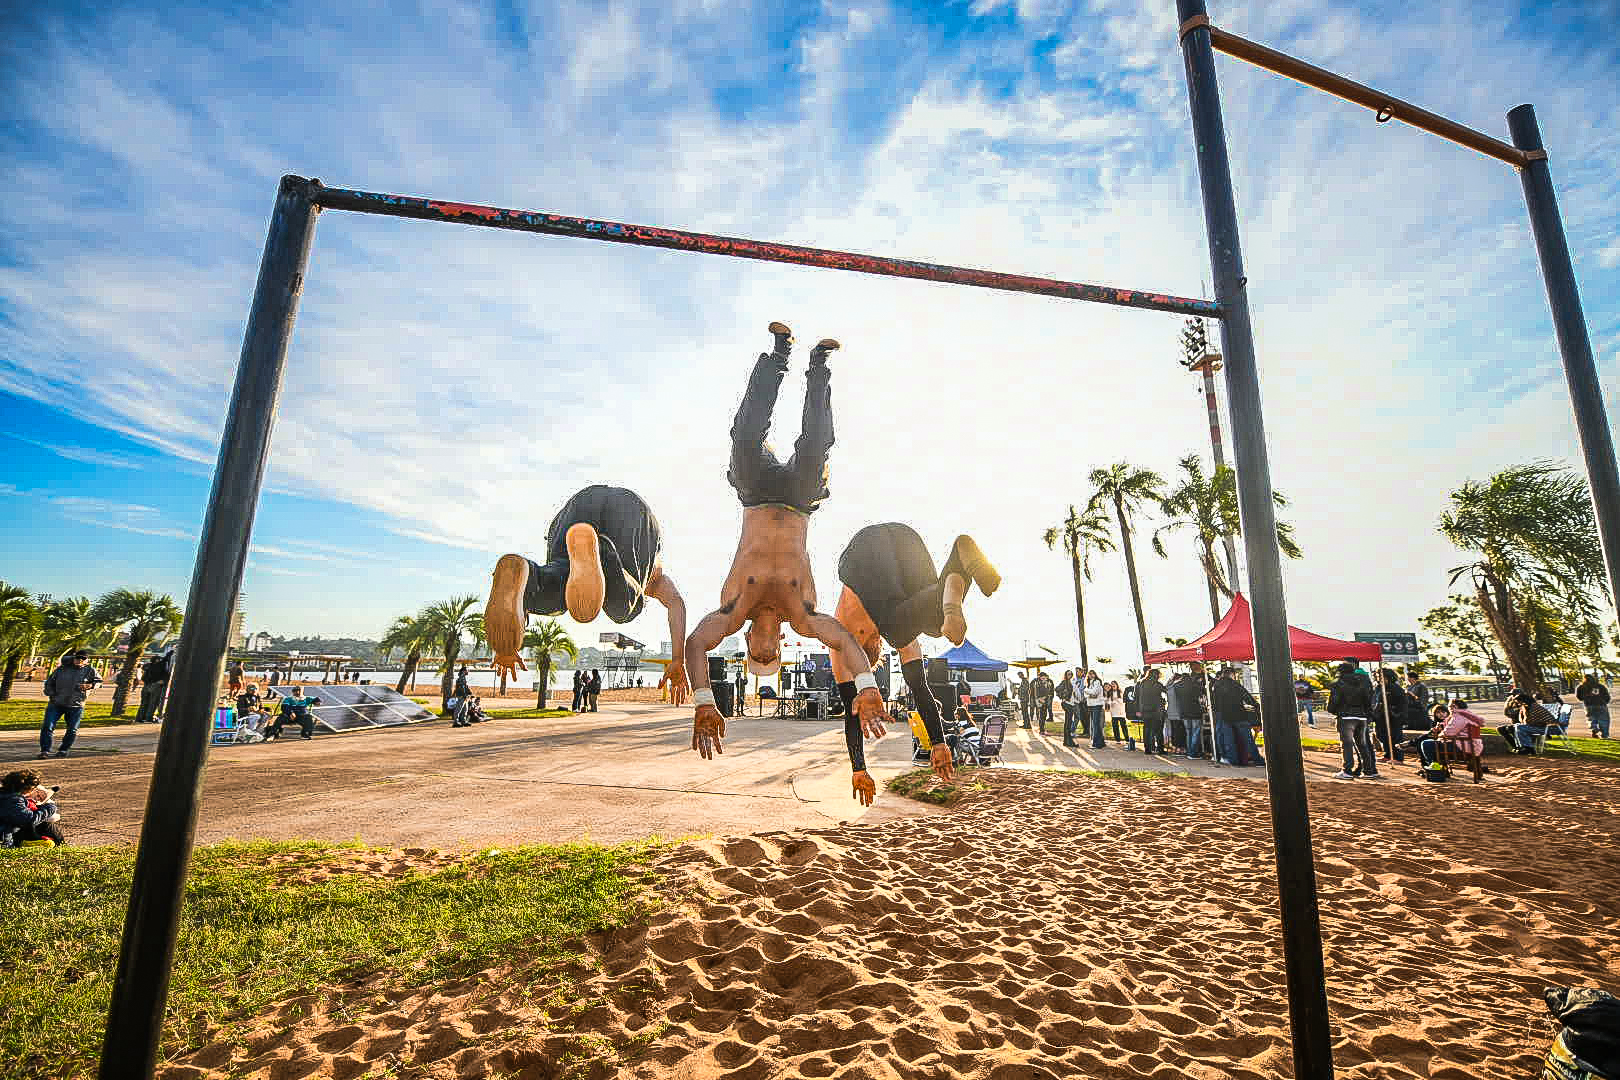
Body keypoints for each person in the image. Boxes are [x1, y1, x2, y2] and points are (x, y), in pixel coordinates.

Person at [684, 323, 897, 803]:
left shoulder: (733, 610)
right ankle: (819, 365)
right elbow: (842, 640)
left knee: (743, 438)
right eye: (771, 655)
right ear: (778, 644)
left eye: (757, 655)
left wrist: (703, 700)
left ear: (747, 642)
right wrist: (865, 684)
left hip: (757, 495)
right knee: (816, 445)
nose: (766, 648)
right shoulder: (802, 616)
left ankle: (778, 354)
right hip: (799, 502)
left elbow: (696, 645)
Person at [485, 484, 689, 704]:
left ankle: (529, 572)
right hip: (633, 515)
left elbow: (678, 604)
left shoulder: (654, 568)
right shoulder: (654, 572)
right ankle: (603, 552)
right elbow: (676, 603)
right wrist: (678, 659)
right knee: (626, 608)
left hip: (576, 508)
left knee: (558, 583)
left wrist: (508, 638)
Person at [829, 523, 999, 782]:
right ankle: (959, 558)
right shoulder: (898, 632)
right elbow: (920, 689)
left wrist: (859, 768)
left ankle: (953, 582)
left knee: (901, 629)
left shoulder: (842, 644)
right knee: (933, 622)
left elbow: (853, 715)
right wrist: (938, 743)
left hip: (862, 555)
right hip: (906, 541)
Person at [39, 650, 101, 760]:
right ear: (74, 658)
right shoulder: (62, 669)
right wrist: (52, 694)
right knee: (47, 726)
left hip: (76, 706)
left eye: (83, 659)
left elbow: (99, 682)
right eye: (78, 658)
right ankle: (45, 751)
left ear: (87, 660)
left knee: (72, 729)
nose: (79, 660)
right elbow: (49, 683)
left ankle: (63, 750)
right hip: (56, 704)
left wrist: (90, 686)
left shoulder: (91, 670)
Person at [1327, 660, 1379, 779]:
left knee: (1347, 744)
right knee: (1363, 744)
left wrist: (1336, 711)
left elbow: (1333, 703)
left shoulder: (1338, 683)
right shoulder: (1362, 682)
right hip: (1361, 717)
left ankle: (1347, 771)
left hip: (1346, 717)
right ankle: (1369, 771)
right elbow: (1368, 700)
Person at [1210, 666, 1262, 766]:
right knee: (1248, 739)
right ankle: (1257, 760)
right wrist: (1257, 705)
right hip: (1239, 715)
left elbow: (1214, 702)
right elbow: (1247, 696)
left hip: (1224, 716)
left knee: (1229, 740)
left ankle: (1233, 761)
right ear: (1232, 674)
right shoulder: (1235, 684)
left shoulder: (1216, 685)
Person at [1, 769, 66, 847]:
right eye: (33, 789)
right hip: (6, 837)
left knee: (44, 824)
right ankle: (62, 847)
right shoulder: (13, 799)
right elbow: (29, 820)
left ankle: (60, 846)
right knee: (46, 825)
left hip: (9, 831)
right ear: (26, 788)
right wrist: (50, 808)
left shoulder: (7, 795)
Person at [1371, 668, 1413, 763]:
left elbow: (1402, 704)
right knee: (1382, 735)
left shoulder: (1396, 688)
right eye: (1378, 677)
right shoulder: (1378, 688)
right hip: (1380, 716)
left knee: (1395, 737)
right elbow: (1374, 700)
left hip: (1393, 717)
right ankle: (1388, 755)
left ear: (1388, 677)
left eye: (1381, 677)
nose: (1379, 679)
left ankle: (1398, 757)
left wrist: (1395, 713)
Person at [1499, 689, 1559, 754]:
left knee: (1518, 727)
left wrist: (1522, 718)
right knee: (1517, 726)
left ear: (1523, 701)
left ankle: (1527, 748)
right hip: (1539, 727)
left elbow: (1530, 721)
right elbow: (1523, 719)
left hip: (1547, 728)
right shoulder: (1527, 707)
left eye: (1520, 702)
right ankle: (1523, 748)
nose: (1519, 704)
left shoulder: (1533, 707)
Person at [1172, 663, 1208, 759]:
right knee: (1196, 732)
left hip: (1183, 712)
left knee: (1189, 732)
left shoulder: (1177, 686)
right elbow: (1203, 693)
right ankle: (1193, 753)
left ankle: (1189, 752)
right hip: (1195, 711)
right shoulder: (1195, 684)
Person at [1136, 668, 1167, 755]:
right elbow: (1165, 691)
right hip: (1156, 710)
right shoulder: (1157, 684)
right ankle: (1160, 749)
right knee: (1158, 730)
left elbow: (1138, 697)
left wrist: (1138, 709)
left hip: (1145, 710)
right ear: (1157, 675)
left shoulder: (1142, 683)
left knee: (1147, 729)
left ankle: (1147, 749)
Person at [1577, 673, 1611, 739]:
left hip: (1589, 705)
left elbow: (1579, 697)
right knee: (1604, 720)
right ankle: (1604, 735)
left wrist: (1586, 698)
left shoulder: (1581, 687)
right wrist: (1605, 702)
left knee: (1591, 718)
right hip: (1601, 705)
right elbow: (1607, 696)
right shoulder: (1600, 686)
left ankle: (1594, 728)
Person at [1105, 680, 1134, 750]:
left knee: (1123, 726)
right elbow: (1108, 701)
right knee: (1115, 727)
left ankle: (1127, 739)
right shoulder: (1110, 693)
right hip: (1113, 712)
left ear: (1117, 685)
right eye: (1112, 685)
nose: (1113, 686)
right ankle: (1117, 740)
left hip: (1121, 712)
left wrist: (1115, 701)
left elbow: (1122, 701)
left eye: (1114, 684)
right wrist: (1111, 702)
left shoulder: (1120, 692)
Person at [1083, 670, 1106, 750]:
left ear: (1095, 674)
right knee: (1094, 724)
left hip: (1097, 705)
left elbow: (1095, 692)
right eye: (1089, 674)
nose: (1091, 675)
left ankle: (1096, 743)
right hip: (1091, 705)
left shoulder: (1097, 682)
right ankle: (1101, 742)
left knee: (1095, 724)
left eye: (1092, 673)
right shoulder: (1088, 683)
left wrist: (1086, 691)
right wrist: (1089, 694)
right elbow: (1085, 695)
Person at [1055, 669, 1078, 747]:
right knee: (1068, 722)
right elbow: (1057, 689)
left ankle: (1067, 741)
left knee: (1068, 722)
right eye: (1068, 674)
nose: (1070, 675)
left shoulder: (1071, 682)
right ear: (1065, 675)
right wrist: (1063, 697)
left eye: (1071, 674)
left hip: (1070, 704)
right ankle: (1068, 741)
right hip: (1066, 704)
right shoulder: (1065, 682)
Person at [1164, 671, 1185, 752]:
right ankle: (1180, 748)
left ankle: (1175, 747)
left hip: (1170, 712)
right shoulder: (1177, 687)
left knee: (1174, 730)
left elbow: (1166, 685)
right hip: (1178, 712)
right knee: (1180, 731)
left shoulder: (1169, 688)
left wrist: (1171, 678)